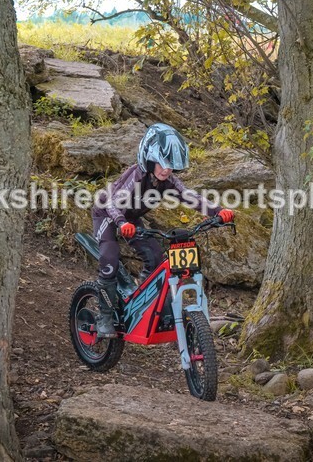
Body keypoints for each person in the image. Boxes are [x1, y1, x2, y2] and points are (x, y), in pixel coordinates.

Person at [90, 123, 234, 337]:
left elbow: (188, 196)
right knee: (110, 259)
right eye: (162, 163)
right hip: (107, 215)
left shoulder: (167, 181)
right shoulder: (136, 175)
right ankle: (104, 317)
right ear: (149, 158)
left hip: (130, 218)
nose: (166, 169)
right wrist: (121, 223)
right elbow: (111, 203)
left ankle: (143, 301)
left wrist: (218, 211)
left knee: (156, 255)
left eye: (171, 165)